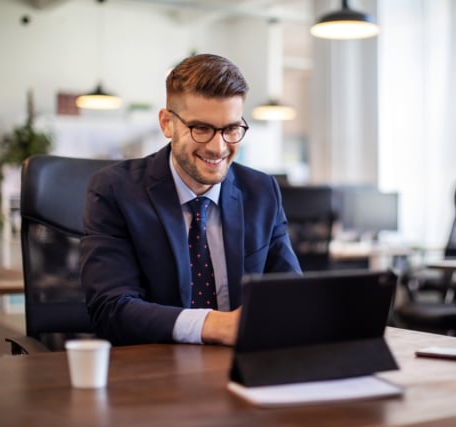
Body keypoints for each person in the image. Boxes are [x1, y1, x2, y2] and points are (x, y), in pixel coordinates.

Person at [80, 54, 302, 347]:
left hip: (244, 368)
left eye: (231, 129)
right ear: (167, 124)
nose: (218, 147)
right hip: (154, 371)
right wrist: (215, 325)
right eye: (201, 128)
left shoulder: (261, 191)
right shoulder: (115, 191)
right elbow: (111, 309)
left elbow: (293, 296)